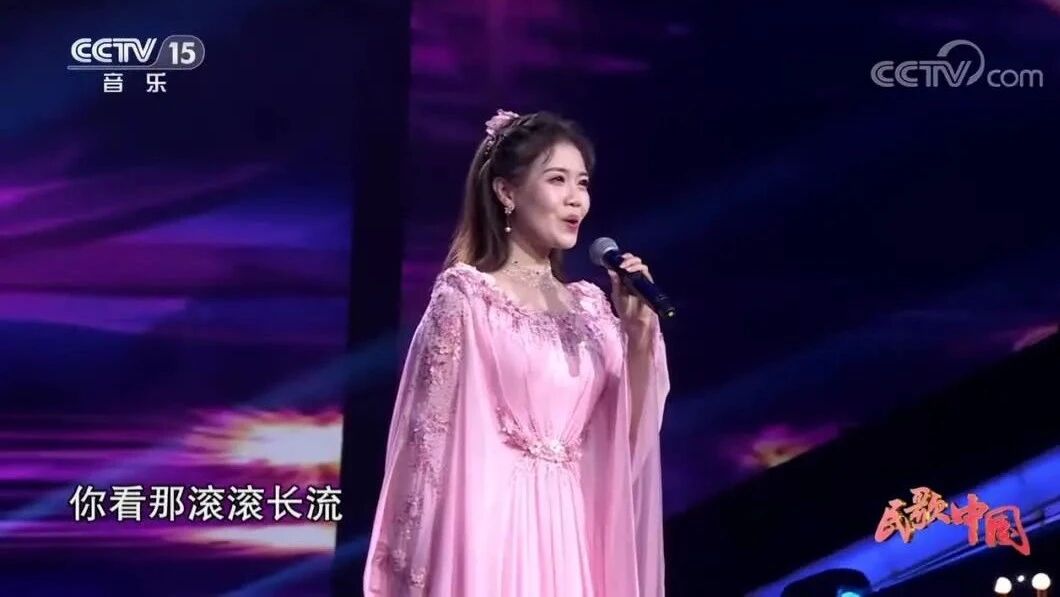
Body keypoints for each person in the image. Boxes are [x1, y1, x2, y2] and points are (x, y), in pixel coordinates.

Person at [363, 109, 670, 596]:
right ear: (507, 192)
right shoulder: (467, 298)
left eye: (582, 183)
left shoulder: (592, 308)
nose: (575, 198)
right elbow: (426, 448)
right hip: (495, 536)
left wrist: (636, 333)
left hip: (572, 533)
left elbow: (625, 441)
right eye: (557, 180)